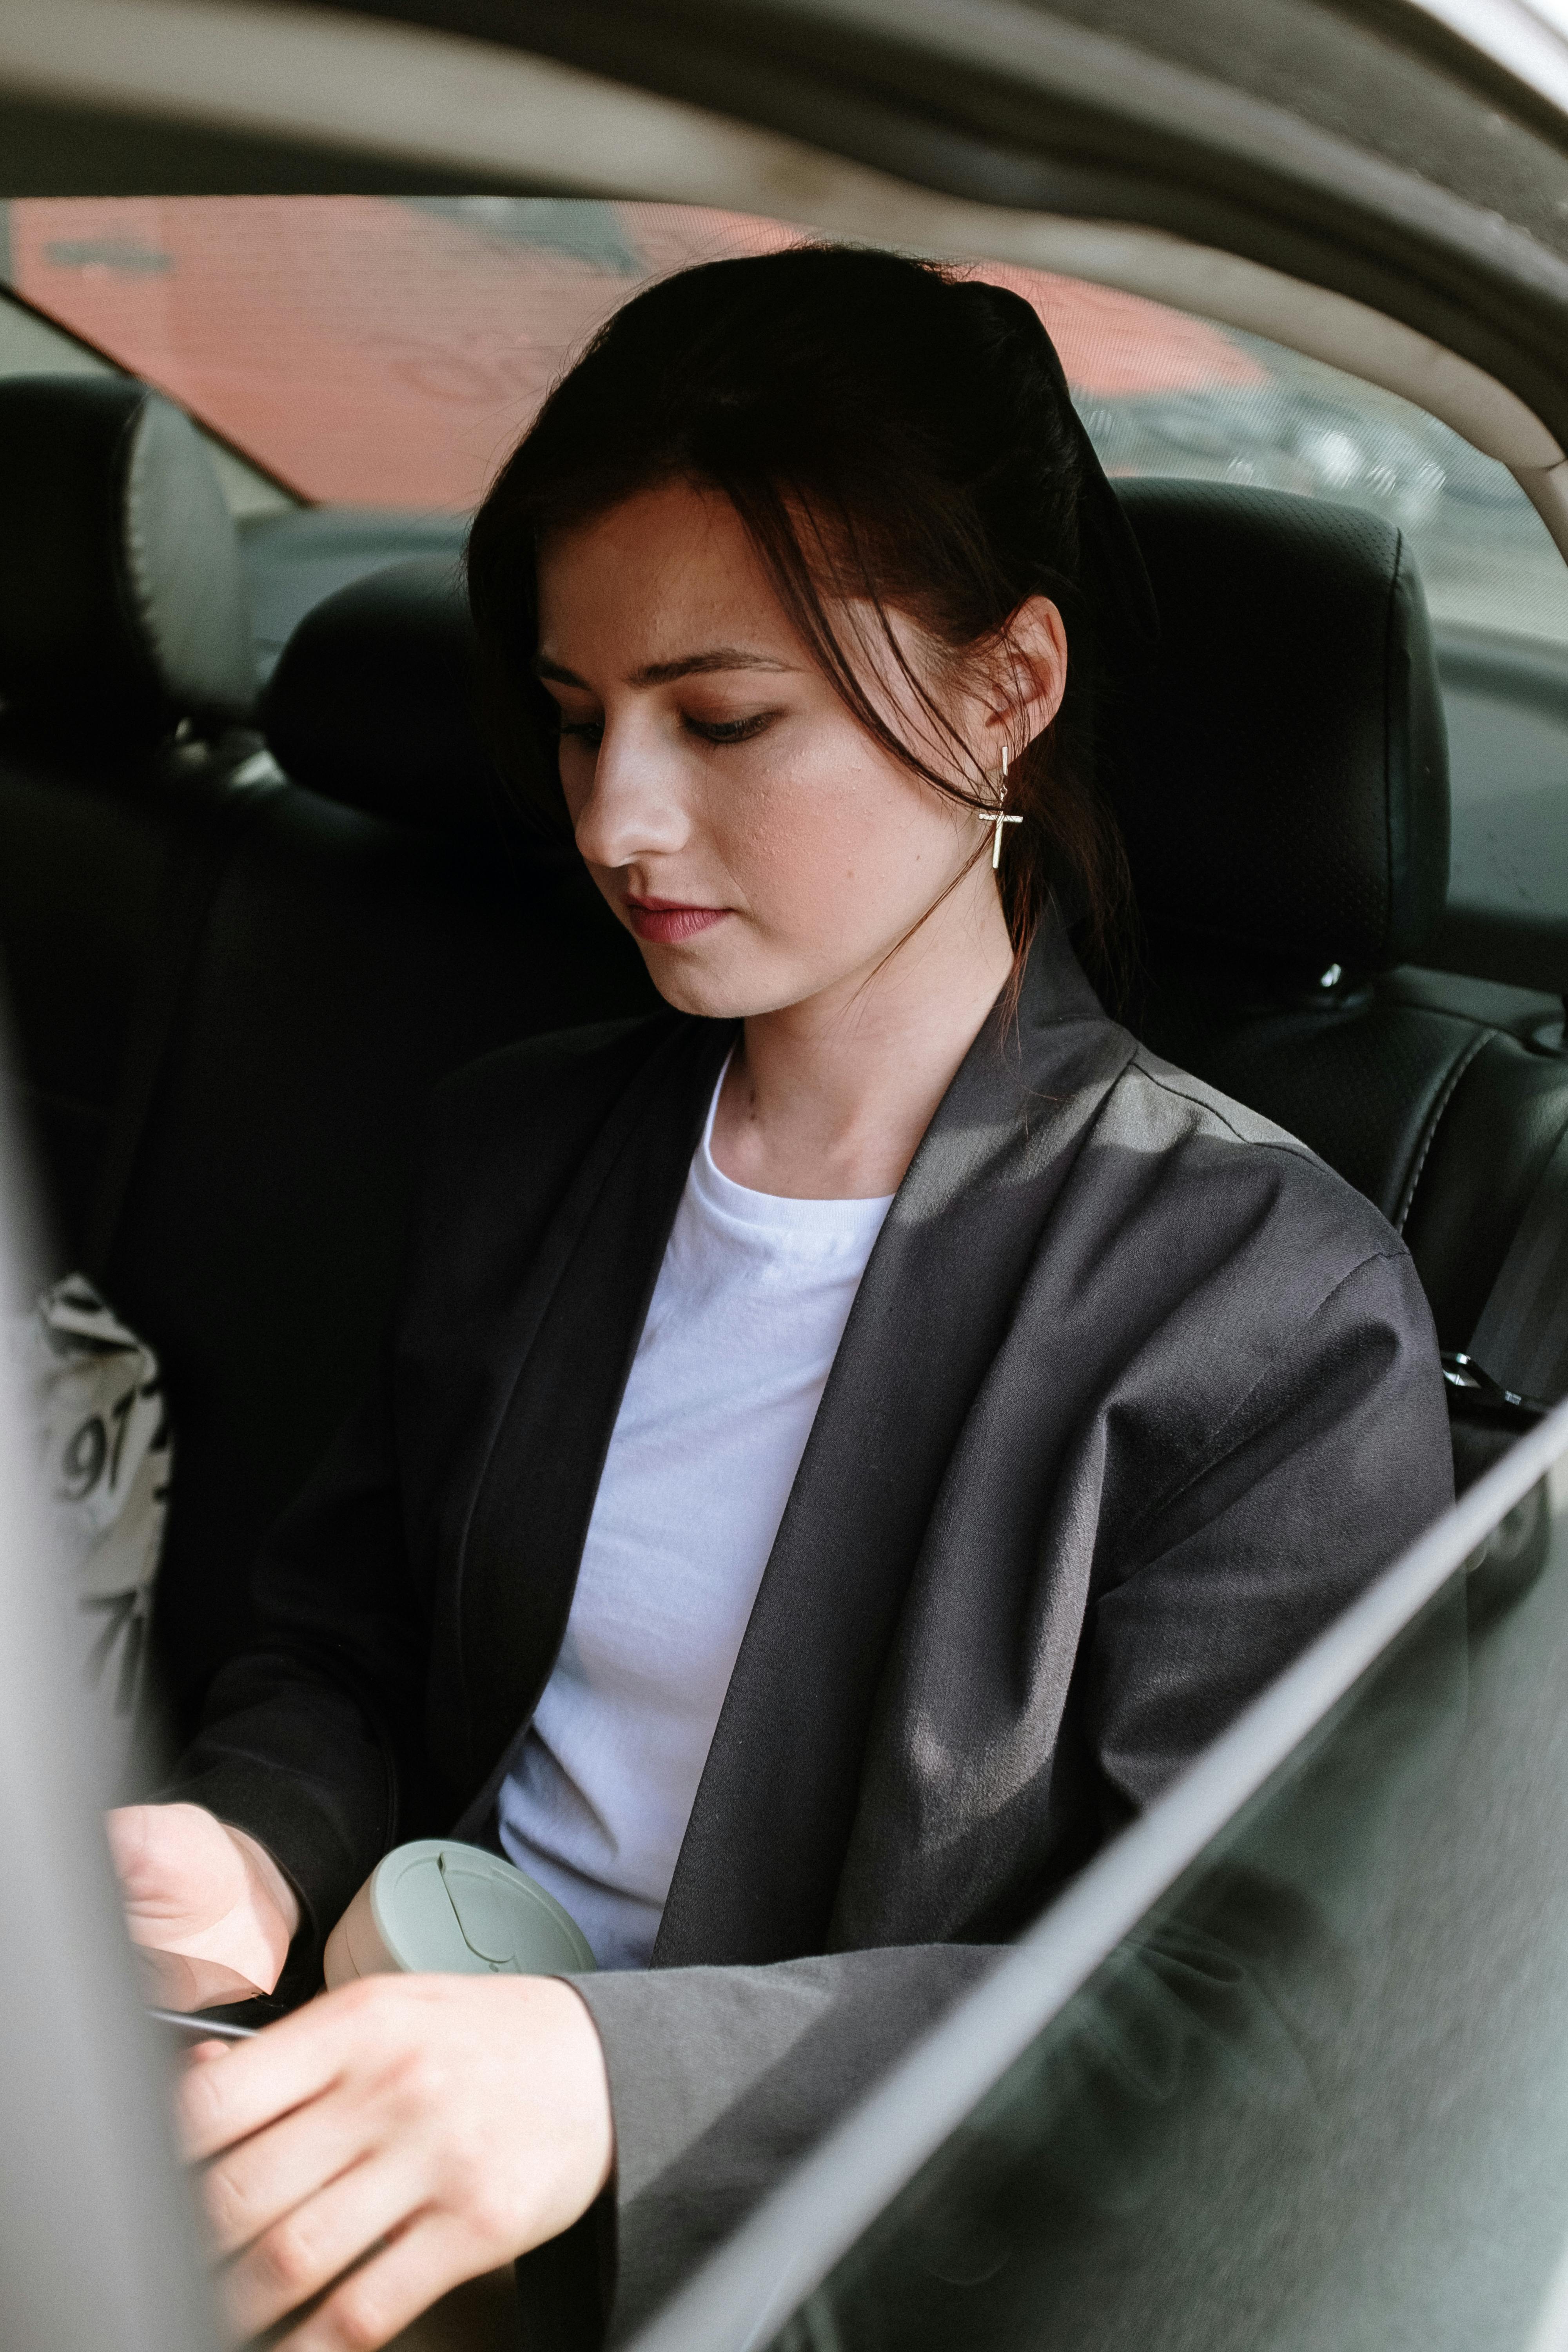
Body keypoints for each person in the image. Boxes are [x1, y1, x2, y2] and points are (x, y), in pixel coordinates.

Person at [107, 246, 1453, 2352]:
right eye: (576, 722)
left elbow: (1231, 2024)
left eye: (723, 718)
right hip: (375, 2104)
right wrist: (254, 1847)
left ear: (1010, 689)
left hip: (809, 2268)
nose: (619, 820)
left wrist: (609, 2087)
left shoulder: (1259, 1309)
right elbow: (343, 1648)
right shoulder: (523, 1147)